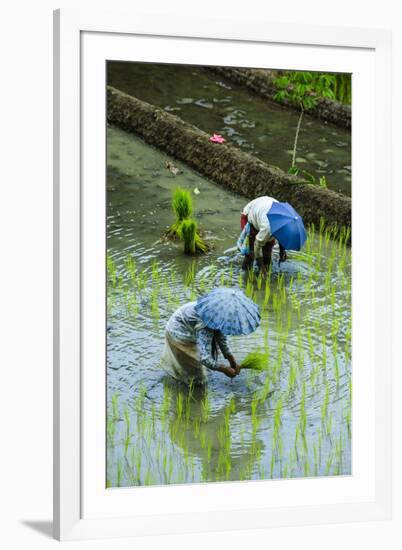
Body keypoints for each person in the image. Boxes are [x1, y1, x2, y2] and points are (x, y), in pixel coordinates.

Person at [162, 301, 239, 384]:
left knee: (197, 366)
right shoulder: (206, 322)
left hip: (188, 328)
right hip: (178, 333)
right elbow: (204, 358)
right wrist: (224, 369)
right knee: (198, 379)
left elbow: (221, 338)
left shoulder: (217, 312)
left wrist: (232, 361)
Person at [239, 196, 288, 272]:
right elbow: (257, 245)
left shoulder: (286, 224)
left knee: (267, 253)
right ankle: (245, 275)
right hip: (250, 213)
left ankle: (266, 275)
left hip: (264, 209)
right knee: (250, 253)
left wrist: (282, 251)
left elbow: (282, 236)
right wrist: (260, 265)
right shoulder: (267, 227)